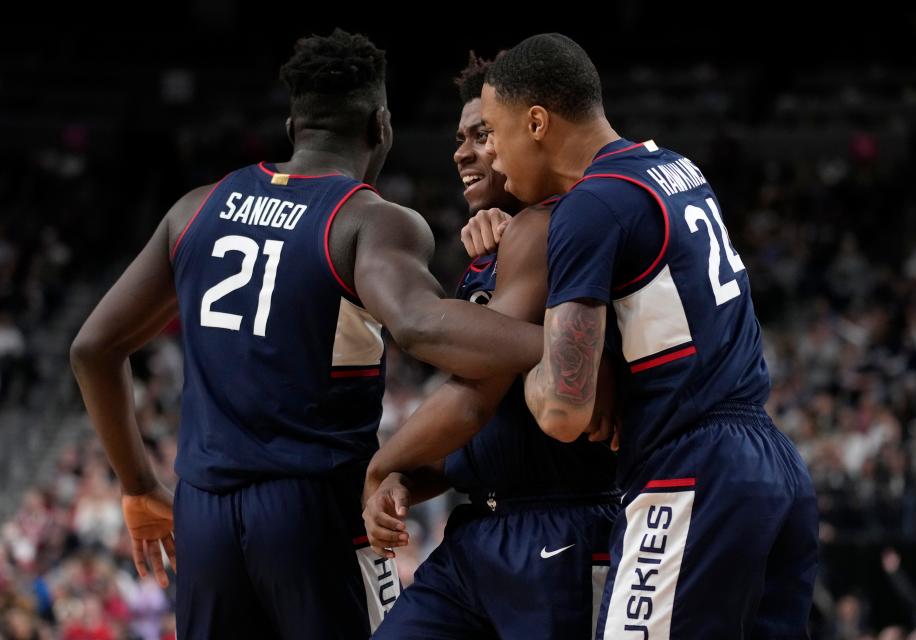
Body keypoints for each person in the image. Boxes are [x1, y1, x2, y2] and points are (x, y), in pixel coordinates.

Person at [70, 30, 542, 640]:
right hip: (314, 510)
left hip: (203, 510)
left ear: (294, 127)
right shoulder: (370, 220)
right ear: (381, 127)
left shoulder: (194, 210)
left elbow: (92, 348)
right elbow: (420, 325)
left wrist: (137, 486)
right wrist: (565, 349)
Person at [480, 33, 819, 638]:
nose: (494, 159)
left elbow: (562, 410)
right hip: (774, 465)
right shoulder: (674, 168)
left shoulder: (591, 205)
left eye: (493, 133)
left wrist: (531, 361)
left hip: (693, 474)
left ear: (535, 122)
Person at [364, 52, 618, 640]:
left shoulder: (566, 226)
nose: (466, 152)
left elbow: (475, 396)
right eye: (461, 137)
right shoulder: (487, 255)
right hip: (479, 527)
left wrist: (386, 464)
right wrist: (410, 480)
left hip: (565, 524)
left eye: (484, 134)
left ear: (527, 130)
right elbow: (480, 426)